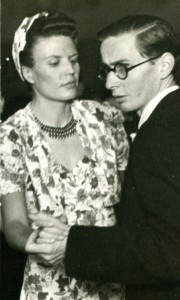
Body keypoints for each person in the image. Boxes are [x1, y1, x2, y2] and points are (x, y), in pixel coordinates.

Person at [28, 15, 180, 300]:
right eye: (106, 70)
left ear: (164, 65)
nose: (109, 82)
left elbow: (176, 249)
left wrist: (73, 244)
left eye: (123, 68)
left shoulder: (162, 133)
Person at [0, 12, 129, 300]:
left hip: (111, 283)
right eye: (55, 63)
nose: (70, 70)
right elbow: (14, 223)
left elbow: (129, 206)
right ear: (29, 72)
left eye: (73, 59)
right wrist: (33, 242)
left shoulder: (106, 119)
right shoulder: (10, 137)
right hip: (50, 288)